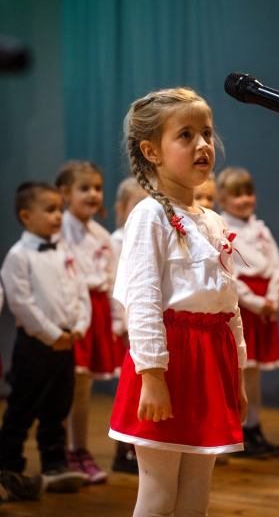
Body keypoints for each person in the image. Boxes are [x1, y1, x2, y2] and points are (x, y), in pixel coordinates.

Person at [109, 88, 247, 517]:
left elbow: (229, 304)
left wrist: (237, 372)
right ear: (151, 151)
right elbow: (143, 299)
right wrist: (152, 375)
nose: (202, 144)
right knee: (158, 492)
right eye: (185, 135)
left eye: (206, 133)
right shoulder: (149, 216)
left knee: (195, 494)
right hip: (168, 363)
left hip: (211, 361)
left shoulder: (213, 219)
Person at [0, 182, 90, 493]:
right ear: (26, 216)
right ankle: (8, 466)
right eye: (50, 210)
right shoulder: (18, 256)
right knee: (23, 407)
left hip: (66, 342)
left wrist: (79, 325)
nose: (58, 216)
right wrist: (52, 335)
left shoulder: (64, 250)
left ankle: (55, 463)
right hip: (35, 346)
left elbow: (80, 291)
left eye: (59, 209)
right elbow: (21, 303)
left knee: (58, 406)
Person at [56, 161, 127, 483]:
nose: (93, 194)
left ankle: (79, 449)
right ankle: (62, 452)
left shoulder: (102, 235)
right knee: (66, 387)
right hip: (72, 314)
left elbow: (113, 282)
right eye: (85, 188)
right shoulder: (58, 232)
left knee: (83, 390)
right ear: (65, 193)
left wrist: (116, 320)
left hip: (97, 312)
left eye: (97, 188)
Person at [217, 167, 279, 459]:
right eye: (237, 194)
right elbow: (229, 275)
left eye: (249, 193)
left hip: (264, 308)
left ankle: (254, 428)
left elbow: (278, 267)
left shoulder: (263, 229)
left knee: (254, 376)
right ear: (222, 199)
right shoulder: (223, 231)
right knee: (240, 374)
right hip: (243, 308)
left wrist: (271, 299)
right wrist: (255, 303)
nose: (245, 199)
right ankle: (237, 432)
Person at [111, 177, 147, 474]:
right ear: (120, 209)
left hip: (143, 322)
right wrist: (121, 323)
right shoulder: (116, 241)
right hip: (127, 324)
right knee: (131, 388)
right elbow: (116, 285)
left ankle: (140, 443)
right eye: (136, 203)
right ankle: (124, 448)